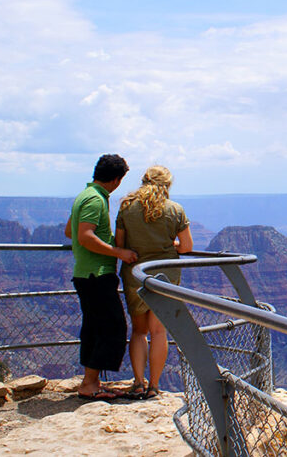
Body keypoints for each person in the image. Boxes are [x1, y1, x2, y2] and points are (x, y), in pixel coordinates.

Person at [115, 165, 193, 400]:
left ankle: (138, 382)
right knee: (159, 332)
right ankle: (154, 386)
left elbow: (121, 244)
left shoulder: (127, 206)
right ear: (167, 184)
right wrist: (169, 246)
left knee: (139, 331)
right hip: (166, 278)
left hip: (135, 275)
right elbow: (187, 246)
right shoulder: (175, 210)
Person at [64, 154, 137, 400]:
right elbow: (84, 236)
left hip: (85, 273)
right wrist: (119, 252)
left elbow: (69, 231)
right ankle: (89, 385)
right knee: (113, 327)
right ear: (116, 179)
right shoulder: (96, 200)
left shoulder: (84, 195)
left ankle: (91, 381)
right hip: (97, 274)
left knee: (94, 328)